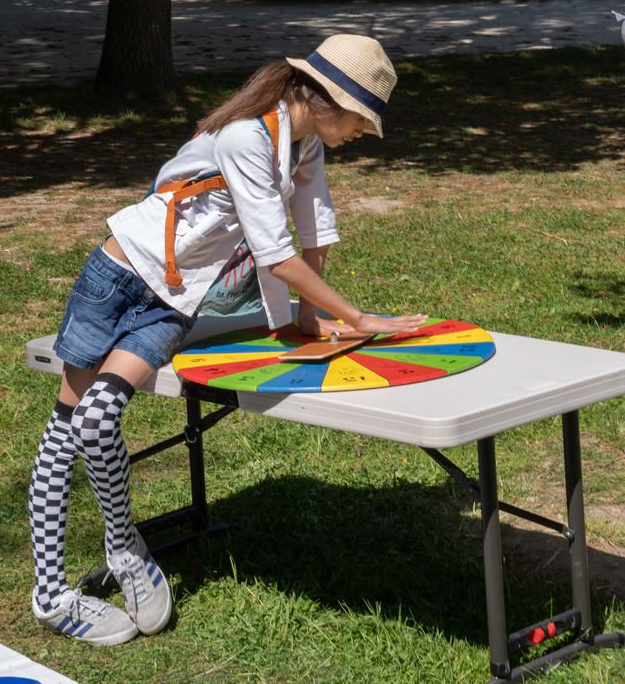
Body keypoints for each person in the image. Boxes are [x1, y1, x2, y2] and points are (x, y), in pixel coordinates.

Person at [28, 33, 428, 646]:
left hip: (173, 300)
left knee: (98, 419)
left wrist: (312, 319)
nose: (359, 134)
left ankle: (124, 549)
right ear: (324, 99)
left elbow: (312, 227)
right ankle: (56, 590)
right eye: (359, 121)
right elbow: (274, 252)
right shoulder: (247, 136)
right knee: (73, 424)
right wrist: (356, 318)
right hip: (115, 279)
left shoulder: (305, 143)